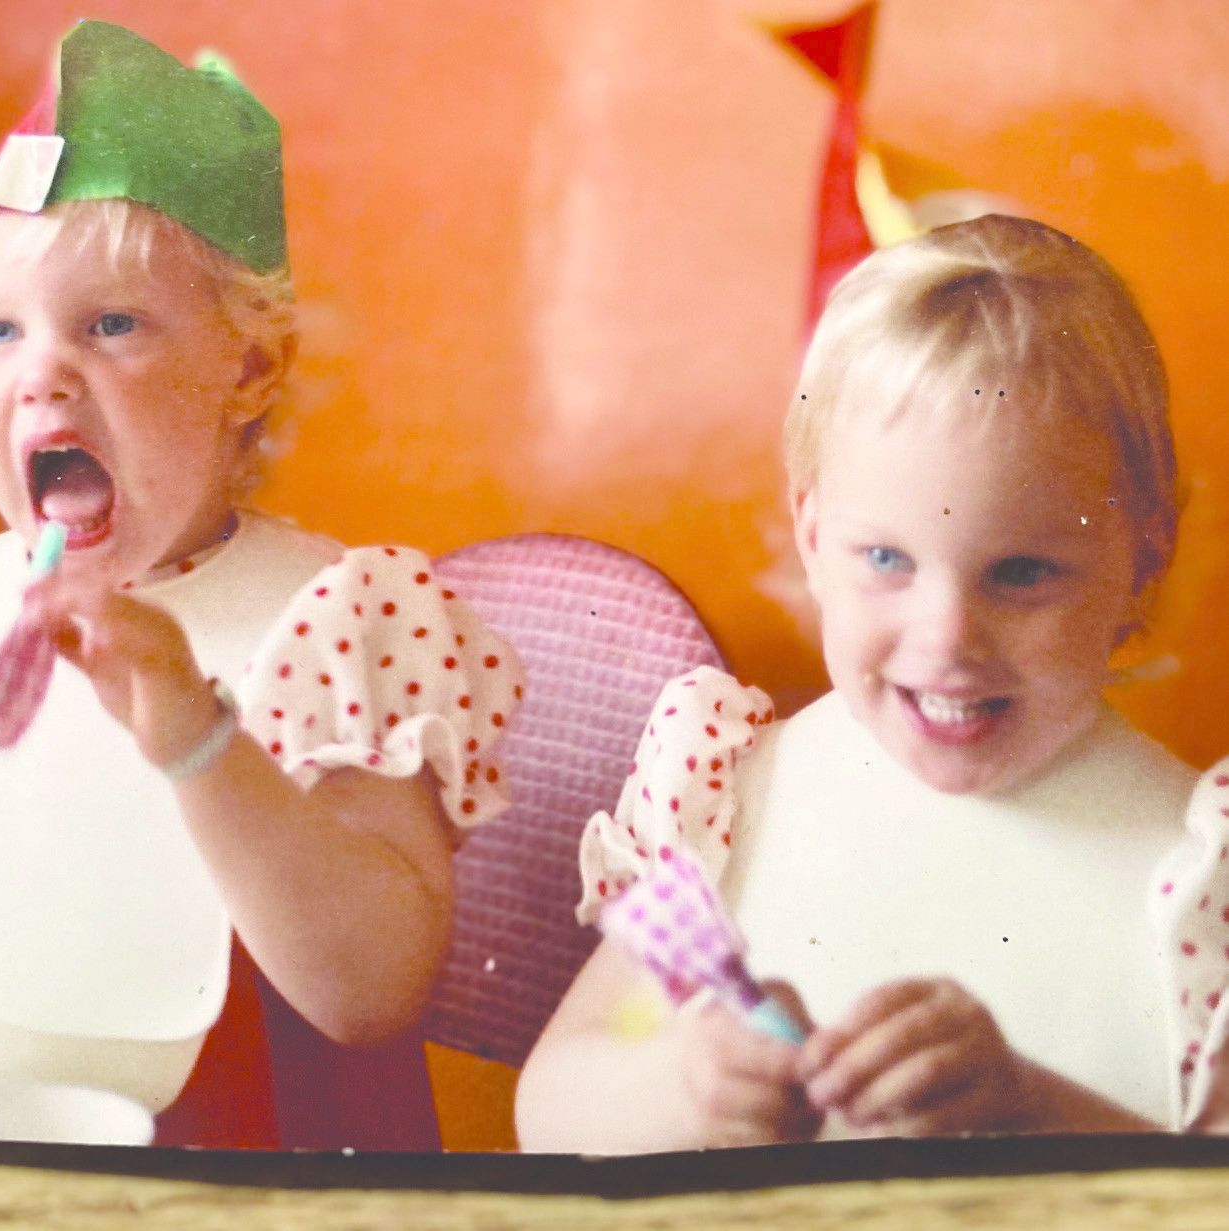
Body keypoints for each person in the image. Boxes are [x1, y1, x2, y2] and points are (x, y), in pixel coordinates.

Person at [0, 21, 522, 1146]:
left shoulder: (340, 623)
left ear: (247, 366)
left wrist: (192, 731)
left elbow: (368, 994)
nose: (41, 372)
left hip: (214, 1157)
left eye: (112, 325)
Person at [515, 214, 1211, 1153]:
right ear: (811, 536)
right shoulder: (722, 798)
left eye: (1020, 572)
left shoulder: (1199, 879)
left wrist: (1033, 1111)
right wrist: (682, 1087)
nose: (947, 636)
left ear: (1142, 557)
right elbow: (548, 1109)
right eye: (886, 557)